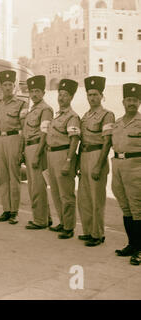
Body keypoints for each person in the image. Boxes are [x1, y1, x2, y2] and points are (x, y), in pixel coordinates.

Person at [77, 76, 115, 247]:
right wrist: (78, 162)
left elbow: (107, 142)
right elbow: (82, 140)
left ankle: (98, 234)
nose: (92, 98)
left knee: (96, 198)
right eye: (89, 94)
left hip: (97, 155)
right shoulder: (85, 116)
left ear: (101, 95)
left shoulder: (107, 115)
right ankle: (88, 231)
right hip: (84, 156)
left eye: (95, 94)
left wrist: (99, 165)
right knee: (84, 197)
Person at [0, 70, 28, 225]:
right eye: (5, 85)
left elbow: (24, 127)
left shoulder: (22, 104)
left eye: (10, 85)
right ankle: (6, 209)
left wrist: (22, 147)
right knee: (1, 177)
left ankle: (14, 212)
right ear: (1, 87)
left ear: (14, 87)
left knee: (14, 177)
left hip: (13, 138)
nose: (7, 88)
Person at [46, 79, 80, 239]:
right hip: (52, 155)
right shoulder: (57, 115)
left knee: (66, 194)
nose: (61, 98)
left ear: (71, 97)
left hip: (63, 155)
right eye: (60, 94)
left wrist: (68, 161)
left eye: (65, 95)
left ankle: (69, 227)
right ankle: (62, 221)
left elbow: (74, 140)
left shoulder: (72, 117)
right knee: (55, 192)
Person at [111, 83, 141, 266]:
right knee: (125, 206)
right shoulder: (117, 123)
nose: (131, 103)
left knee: (137, 208)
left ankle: (139, 249)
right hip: (117, 166)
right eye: (128, 100)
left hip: (136, 167)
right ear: (123, 102)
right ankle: (131, 244)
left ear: (139, 102)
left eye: (135, 100)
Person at [23, 75, 54, 230]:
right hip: (29, 147)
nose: (34, 94)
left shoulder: (45, 109)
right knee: (33, 185)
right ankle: (45, 217)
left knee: (37, 186)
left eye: (37, 91)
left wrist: (37, 154)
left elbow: (44, 133)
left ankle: (40, 220)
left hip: (37, 148)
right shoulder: (32, 109)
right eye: (32, 91)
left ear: (43, 92)